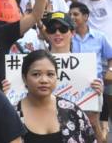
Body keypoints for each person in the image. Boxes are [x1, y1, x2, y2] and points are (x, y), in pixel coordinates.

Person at [43, 11, 104, 142]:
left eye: (63, 29)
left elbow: (95, 130)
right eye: (52, 29)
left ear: (72, 33)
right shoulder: (33, 65)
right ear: (47, 33)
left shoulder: (87, 70)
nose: (57, 33)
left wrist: (96, 98)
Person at [16, 49, 96, 142]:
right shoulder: (12, 114)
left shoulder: (73, 111)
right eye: (36, 74)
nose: (44, 80)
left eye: (50, 74)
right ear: (24, 78)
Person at [69, 2, 112, 142]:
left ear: (86, 16)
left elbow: (111, 57)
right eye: (70, 14)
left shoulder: (100, 37)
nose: (72, 17)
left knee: (93, 125)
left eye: (75, 14)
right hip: (71, 89)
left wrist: (110, 71)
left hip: (94, 88)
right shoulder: (67, 38)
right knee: (73, 126)